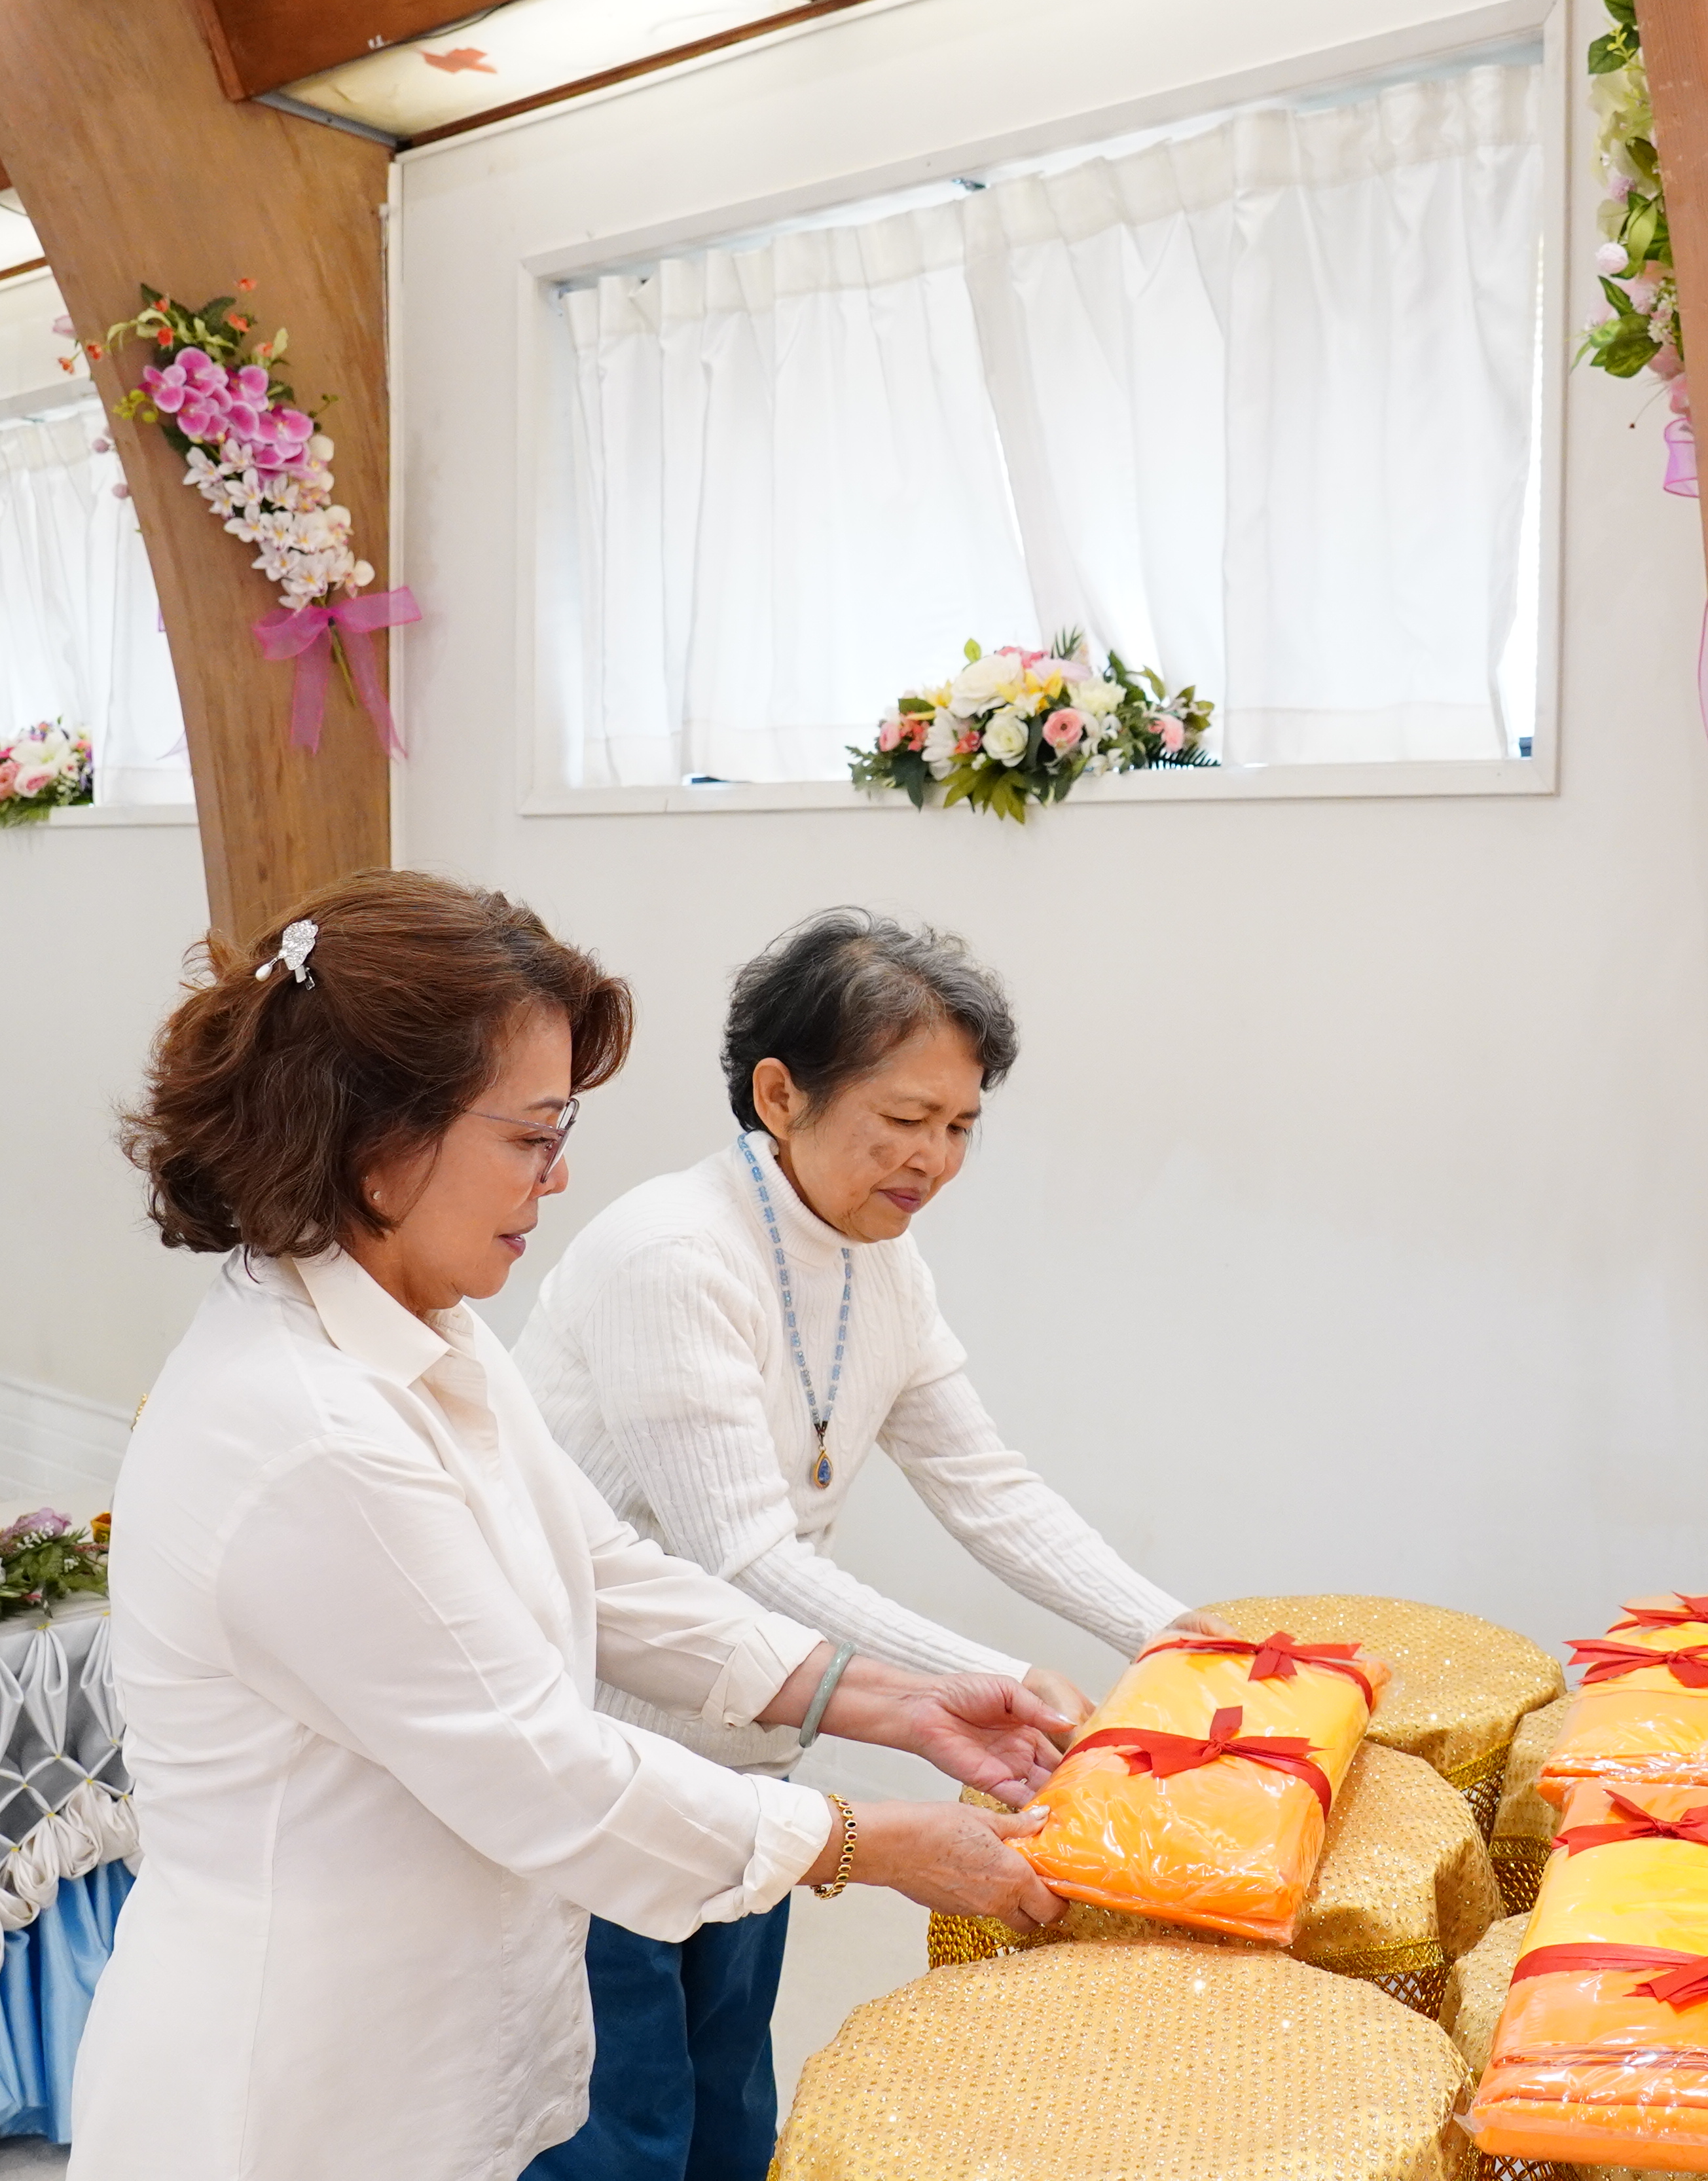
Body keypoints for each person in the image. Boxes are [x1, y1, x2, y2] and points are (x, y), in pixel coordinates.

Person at [71, 872, 1070, 2181]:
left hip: (442, 2027)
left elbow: (604, 1567)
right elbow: (547, 1772)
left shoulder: (424, 1319)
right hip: (301, 2084)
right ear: (376, 1133)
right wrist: (872, 1842)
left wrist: (903, 1699)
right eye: (533, 1134)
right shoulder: (309, 1426)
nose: (560, 1174)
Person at [515, 909, 1210, 2181]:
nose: (934, 1158)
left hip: (754, 1753)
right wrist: (978, 1676)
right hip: (605, 1747)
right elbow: (746, 1558)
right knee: (619, 2121)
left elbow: (987, 1481)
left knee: (729, 2096)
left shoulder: (883, 1263)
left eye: (959, 1126)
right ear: (779, 1092)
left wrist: (1174, 1633)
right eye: (905, 1118)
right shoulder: (674, 1251)